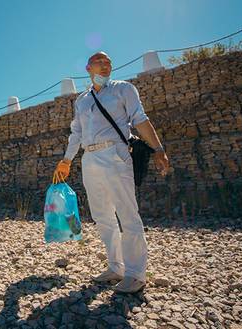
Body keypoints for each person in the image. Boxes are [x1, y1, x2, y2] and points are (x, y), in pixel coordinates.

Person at [54, 51, 169, 293]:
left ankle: (136, 274)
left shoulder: (123, 89)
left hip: (115, 153)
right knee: (102, 216)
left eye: (108, 62)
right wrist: (66, 160)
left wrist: (158, 149)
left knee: (128, 214)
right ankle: (116, 267)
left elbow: (139, 118)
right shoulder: (82, 100)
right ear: (88, 68)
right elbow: (76, 132)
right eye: (99, 62)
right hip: (89, 158)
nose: (105, 66)